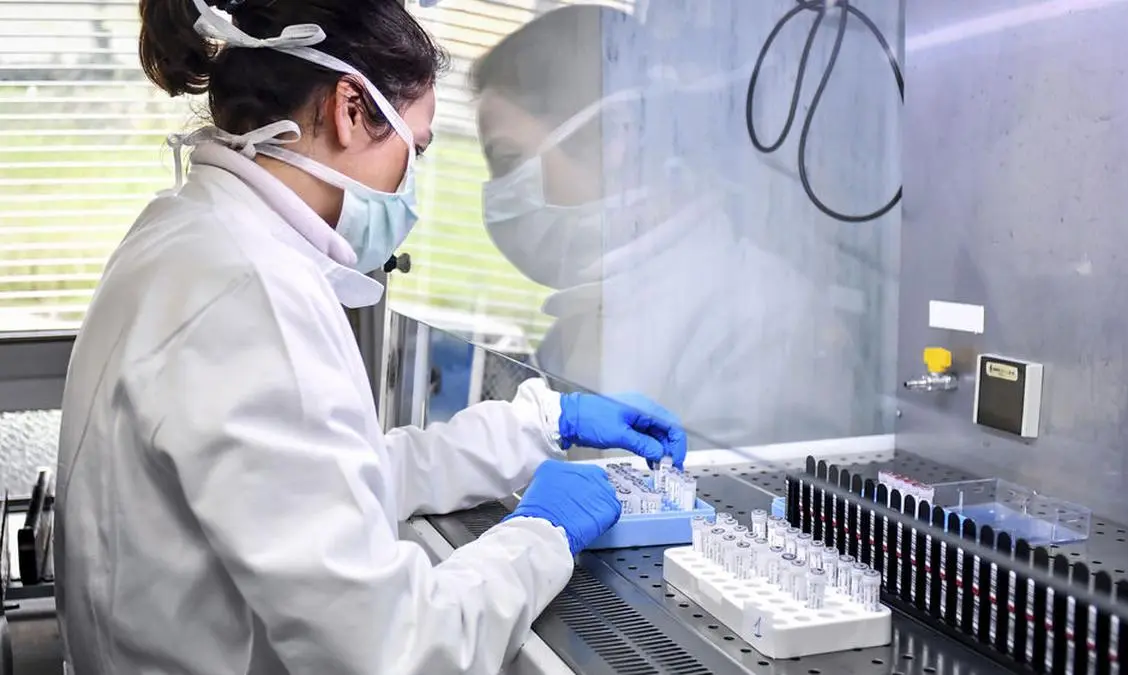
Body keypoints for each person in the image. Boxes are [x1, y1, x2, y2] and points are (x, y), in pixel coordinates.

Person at [54, 2, 687, 674]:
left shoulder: (189, 231)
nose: (410, 187)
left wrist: (537, 424)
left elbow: (320, 481)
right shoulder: (252, 293)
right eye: (414, 149)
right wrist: (542, 534)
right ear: (350, 108)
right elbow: (398, 651)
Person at [472, 5, 860, 449]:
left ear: (616, 134)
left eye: (507, 161)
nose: (496, 196)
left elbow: (724, 506)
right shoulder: (588, 308)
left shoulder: (766, 319)